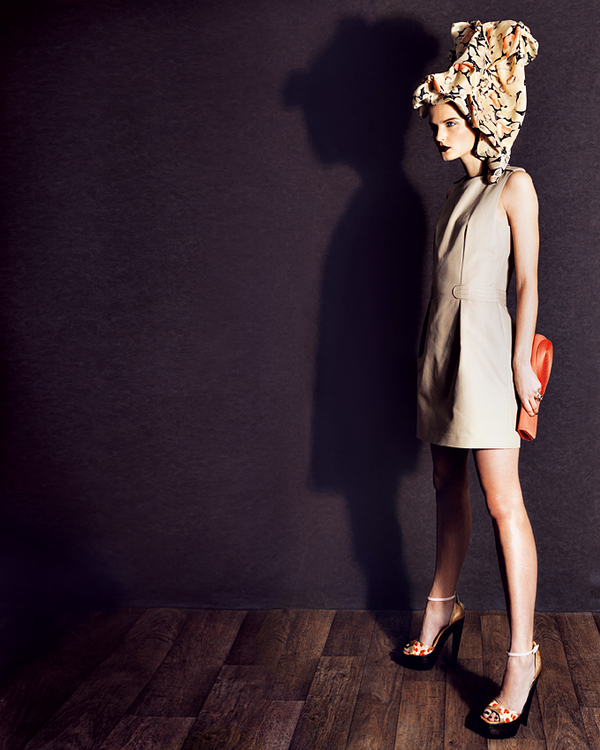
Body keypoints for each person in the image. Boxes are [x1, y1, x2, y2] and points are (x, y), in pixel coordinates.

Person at [401, 21, 542, 740]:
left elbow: (527, 282)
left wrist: (518, 362)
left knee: (501, 500)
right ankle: (442, 604)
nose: (437, 135)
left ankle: (523, 658)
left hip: (487, 351)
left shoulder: (517, 186)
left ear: (482, 117)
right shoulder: (453, 196)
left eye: (449, 123)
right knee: (443, 484)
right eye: (434, 125)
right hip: (441, 346)